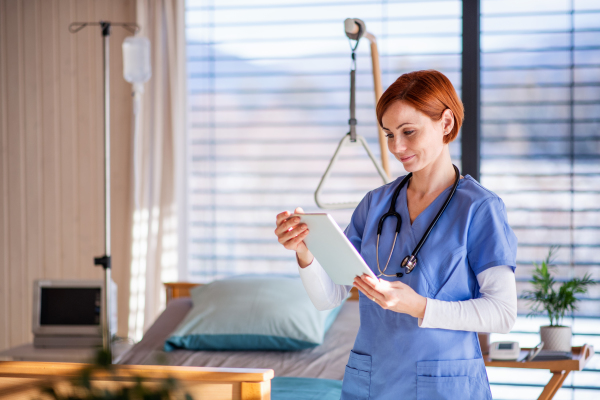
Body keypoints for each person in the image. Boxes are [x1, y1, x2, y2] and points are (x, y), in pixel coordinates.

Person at [274, 70, 518, 400]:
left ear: (446, 124)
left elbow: (502, 313)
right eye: (389, 134)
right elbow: (329, 297)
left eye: (408, 132)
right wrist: (305, 253)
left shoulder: (480, 209)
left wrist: (418, 306)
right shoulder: (375, 204)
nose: (397, 147)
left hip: (445, 385)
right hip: (374, 382)